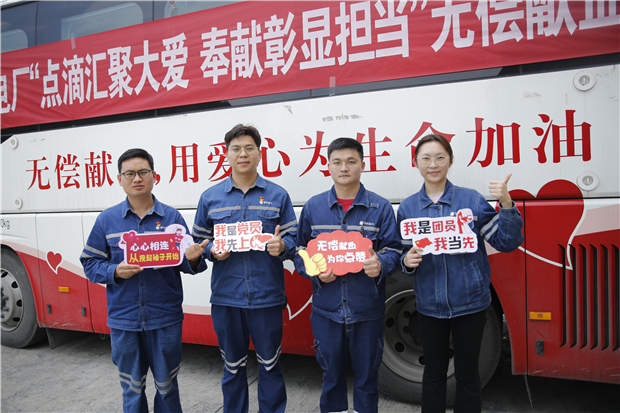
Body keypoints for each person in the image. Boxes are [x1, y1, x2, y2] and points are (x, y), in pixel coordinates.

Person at [397, 134, 523, 413]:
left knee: (467, 375)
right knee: (433, 373)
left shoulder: (471, 200)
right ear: (416, 163)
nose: (433, 164)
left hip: (470, 305)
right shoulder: (408, 208)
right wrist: (407, 260)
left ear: (451, 161)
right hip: (429, 306)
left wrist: (506, 203)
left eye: (440, 157)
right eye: (426, 158)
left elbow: (506, 242)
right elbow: (403, 256)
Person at [80, 148, 207, 413]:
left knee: (167, 387)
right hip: (124, 320)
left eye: (142, 172)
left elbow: (187, 264)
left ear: (154, 176)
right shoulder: (106, 220)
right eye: (129, 173)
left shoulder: (171, 218)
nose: (136, 178)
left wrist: (194, 258)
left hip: (165, 318)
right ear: (119, 179)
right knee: (132, 389)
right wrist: (115, 271)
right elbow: (90, 263)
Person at [192, 124, 297, 413]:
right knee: (232, 367)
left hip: (267, 296)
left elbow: (294, 238)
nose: (243, 154)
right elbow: (197, 244)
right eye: (236, 149)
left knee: (270, 365)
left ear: (259, 154)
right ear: (226, 155)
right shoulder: (210, 198)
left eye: (249, 148)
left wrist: (283, 246)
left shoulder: (278, 195)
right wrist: (211, 251)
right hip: (227, 298)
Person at [294, 137, 402, 413]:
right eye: (338, 162)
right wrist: (316, 272)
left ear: (362, 165)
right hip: (326, 311)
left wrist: (381, 263)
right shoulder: (313, 207)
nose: (344, 168)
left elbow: (393, 249)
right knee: (331, 378)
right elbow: (299, 251)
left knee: (367, 378)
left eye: (351, 161)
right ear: (328, 166)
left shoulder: (380, 207)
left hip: (367, 311)